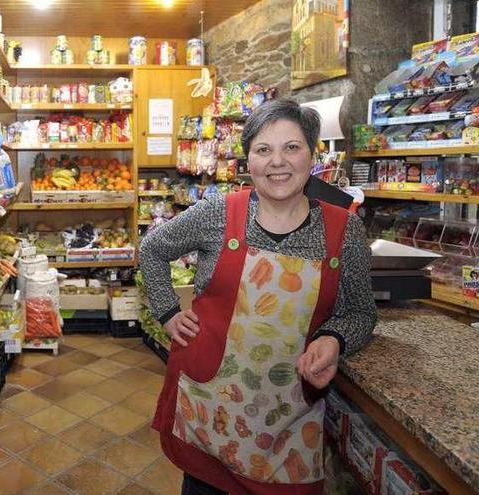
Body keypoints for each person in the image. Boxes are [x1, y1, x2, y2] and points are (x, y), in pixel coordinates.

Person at [139, 99, 377, 495]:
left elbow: (358, 311)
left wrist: (333, 339)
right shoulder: (219, 213)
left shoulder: (344, 230)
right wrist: (167, 312)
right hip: (210, 408)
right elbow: (153, 247)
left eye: (292, 147)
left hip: (289, 418)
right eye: (263, 150)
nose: (277, 162)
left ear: (312, 155)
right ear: (248, 161)